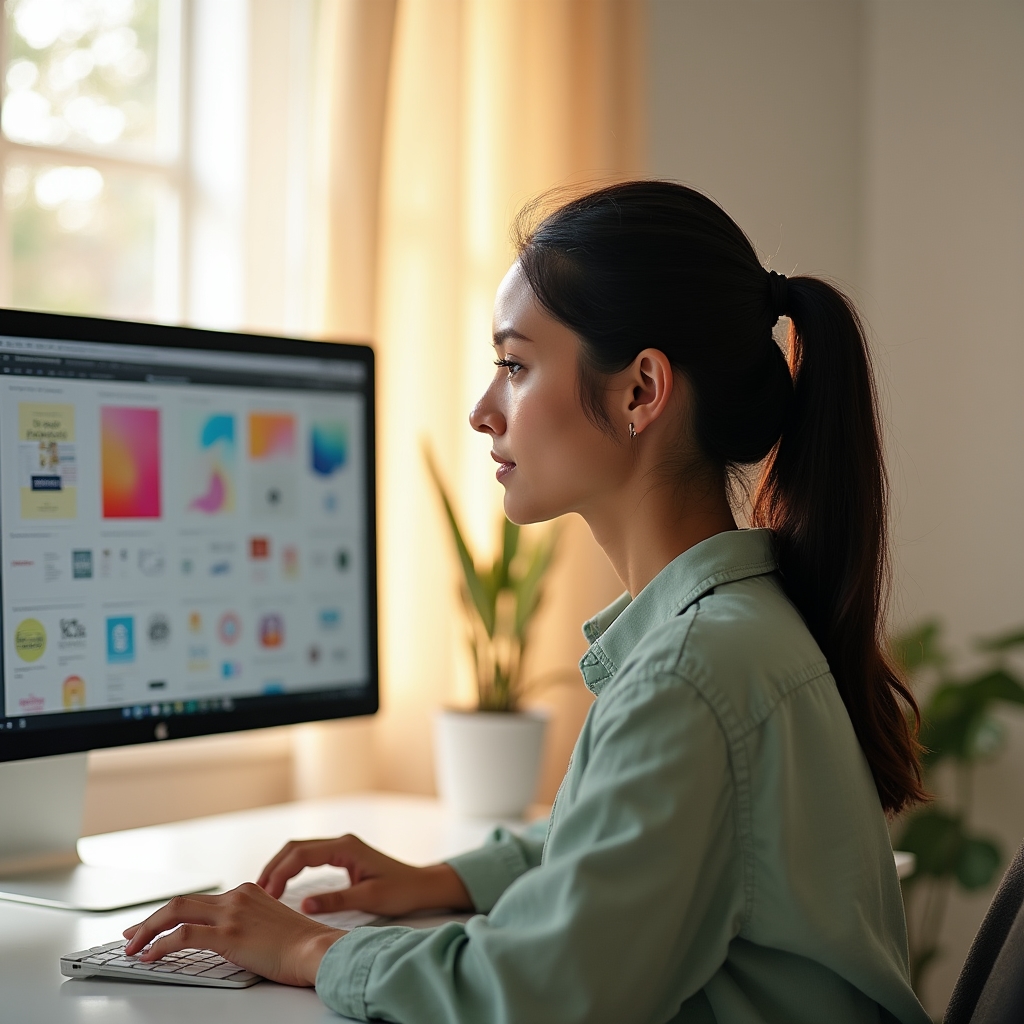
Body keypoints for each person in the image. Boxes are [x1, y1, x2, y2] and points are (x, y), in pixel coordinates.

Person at [124, 182, 931, 1024]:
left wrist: (305, 947)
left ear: (640, 391)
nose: (482, 412)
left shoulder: (693, 674)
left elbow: (537, 994)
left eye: (514, 365)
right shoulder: (736, 630)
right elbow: (630, 841)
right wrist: (440, 881)